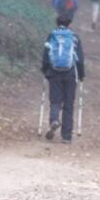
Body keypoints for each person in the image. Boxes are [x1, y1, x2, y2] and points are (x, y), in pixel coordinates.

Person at [41, 14, 85, 143]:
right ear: (69, 24)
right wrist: (81, 75)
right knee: (69, 103)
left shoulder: (51, 36)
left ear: (57, 23)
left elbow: (46, 55)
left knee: (55, 100)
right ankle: (66, 136)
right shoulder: (74, 37)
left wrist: (45, 71)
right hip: (70, 73)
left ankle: (54, 120)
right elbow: (80, 60)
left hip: (54, 73)